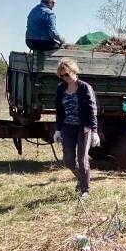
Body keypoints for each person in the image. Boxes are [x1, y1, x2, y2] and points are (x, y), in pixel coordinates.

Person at [52, 58, 100, 198]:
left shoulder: (85, 87)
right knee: (68, 160)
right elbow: (59, 110)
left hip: (83, 127)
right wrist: (58, 129)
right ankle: (82, 178)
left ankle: (85, 190)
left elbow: (92, 110)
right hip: (67, 127)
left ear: (74, 71)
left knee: (82, 159)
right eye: (62, 75)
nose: (65, 78)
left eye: (67, 74)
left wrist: (94, 131)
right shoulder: (61, 88)